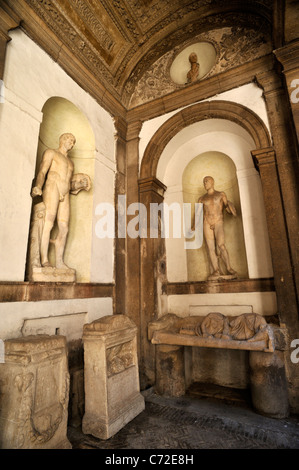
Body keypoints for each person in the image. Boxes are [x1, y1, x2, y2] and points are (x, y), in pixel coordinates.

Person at [31, 133, 76, 270]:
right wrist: (38, 186)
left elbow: (69, 181)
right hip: (52, 185)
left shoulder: (71, 162)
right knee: (48, 222)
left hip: (65, 191)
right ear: (62, 139)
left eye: (73, 142)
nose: (72, 143)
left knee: (64, 227)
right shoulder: (51, 153)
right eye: (70, 140)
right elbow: (42, 171)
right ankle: (44, 260)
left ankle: (59, 262)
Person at [198, 176, 237, 279]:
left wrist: (231, 209)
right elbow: (198, 214)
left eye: (207, 181)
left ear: (212, 182)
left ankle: (228, 268)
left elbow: (227, 209)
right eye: (204, 182)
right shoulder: (201, 198)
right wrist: (194, 226)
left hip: (218, 221)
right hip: (207, 222)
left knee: (221, 245)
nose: (205, 183)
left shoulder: (221, 194)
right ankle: (216, 270)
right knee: (210, 248)